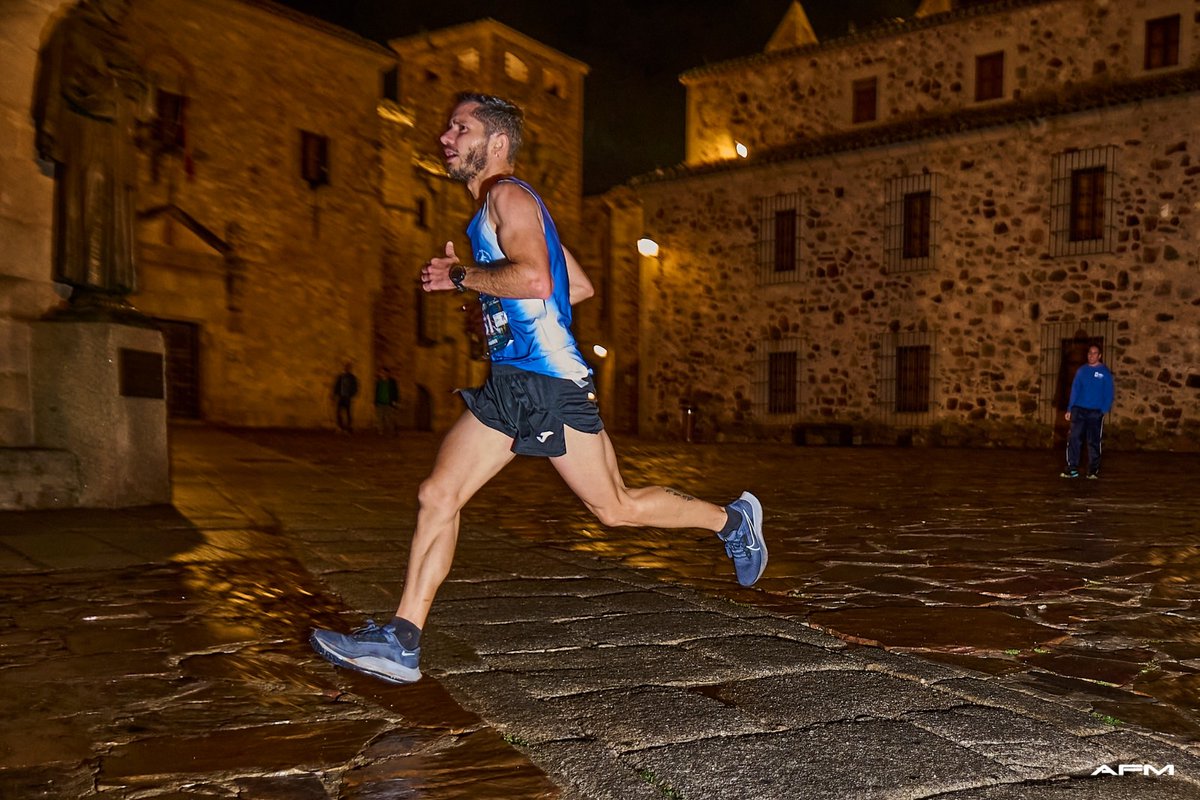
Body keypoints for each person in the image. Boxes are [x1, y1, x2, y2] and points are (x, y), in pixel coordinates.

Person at [310, 93, 766, 685]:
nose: (446, 137)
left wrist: (461, 277)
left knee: (615, 508)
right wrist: (486, 284)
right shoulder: (505, 210)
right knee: (437, 495)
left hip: (547, 382)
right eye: (447, 126)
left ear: (496, 144)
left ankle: (732, 522)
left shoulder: (507, 195)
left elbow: (535, 277)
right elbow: (575, 287)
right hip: (513, 382)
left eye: (461, 127)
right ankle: (402, 640)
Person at [32, 0, 148, 312]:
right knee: (90, 205)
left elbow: (144, 96)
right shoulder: (75, 30)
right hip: (89, 138)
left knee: (117, 213)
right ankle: (89, 285)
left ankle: (113, 288)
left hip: (117, 142)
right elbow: (73, 82)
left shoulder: (119, 41)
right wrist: (118, 84)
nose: (125, 7)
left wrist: (134, 85)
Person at [1061, 344, 1114, 479]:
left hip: (1095, 412)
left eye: (1095, 353)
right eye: (1090, 353)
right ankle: (1072, 468)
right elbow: (1075, 390)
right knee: (1074, 439)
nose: (1091, 355)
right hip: (1079, 410)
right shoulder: (1081, 371)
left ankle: (1092, 470)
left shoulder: (1104, 373)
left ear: (1099, 356)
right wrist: (1070, 408)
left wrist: (1103, 409)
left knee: (1093, 441)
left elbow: (1109, 392)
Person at [333, 363, 358, 433]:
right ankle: (340, 426)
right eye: (346, 367)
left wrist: (352, 395)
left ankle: (348, 427)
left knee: (348, 413)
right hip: (341, 397)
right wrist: (335, 394)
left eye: (348, 367)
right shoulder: (340, 377)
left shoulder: (352, 378)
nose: (347, 369)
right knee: (338, 412)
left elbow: (355, 387)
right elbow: (337, 386)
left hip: (348, 397)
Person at [374, 369, 400, 435]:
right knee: (380, 418)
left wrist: (395, 401)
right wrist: (375, 401)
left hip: (389, 402)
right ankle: (380, 431)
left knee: (389, 418)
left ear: (387, 373)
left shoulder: (392, 382)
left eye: (383, 372)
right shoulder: (379, 382)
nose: (381, 374)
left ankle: (392, 430)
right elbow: (377, 392)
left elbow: (395, 392)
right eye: (381, 372)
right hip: (380, 402)